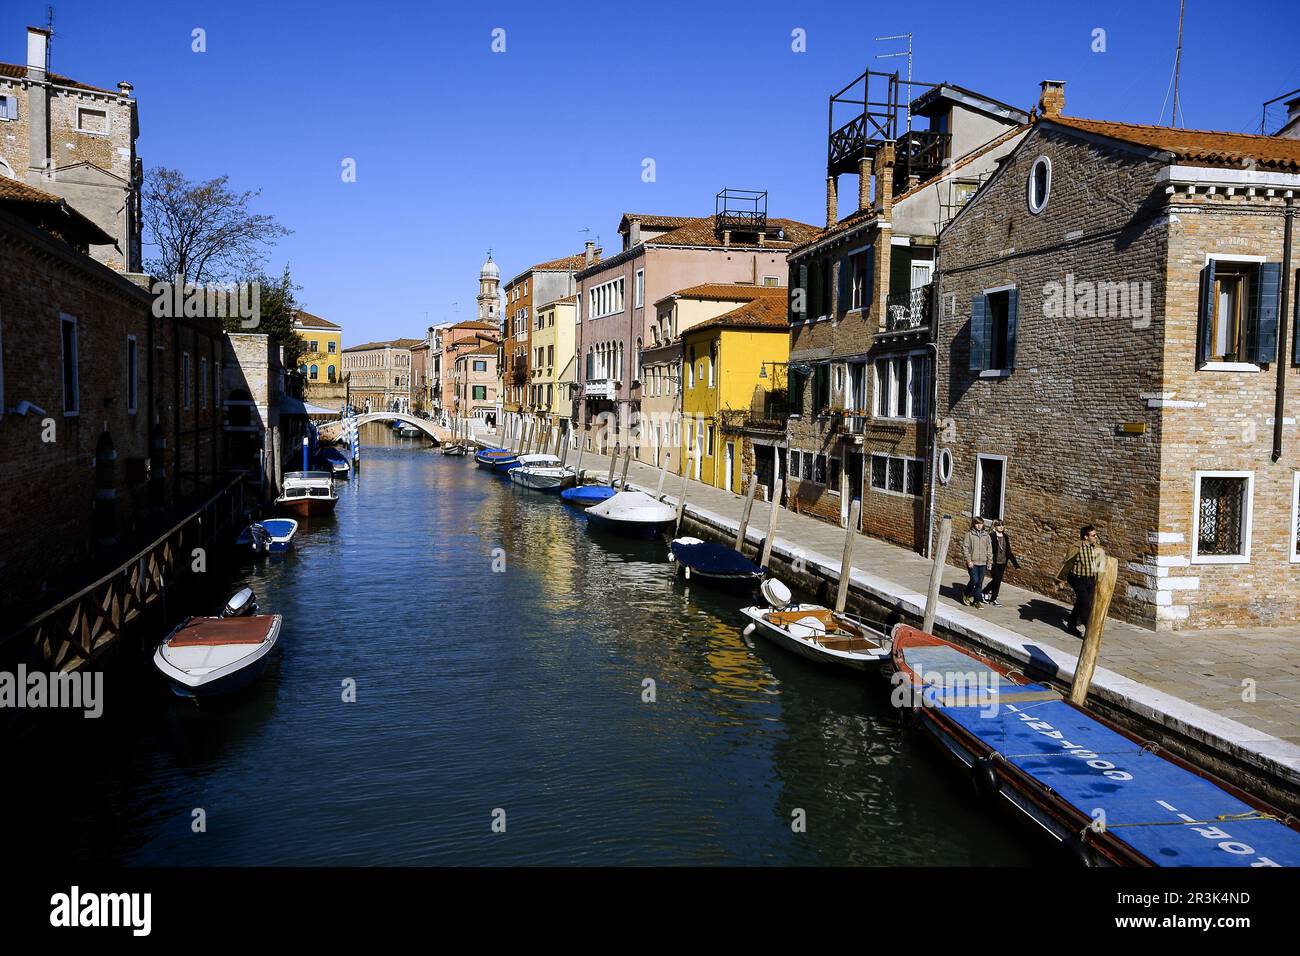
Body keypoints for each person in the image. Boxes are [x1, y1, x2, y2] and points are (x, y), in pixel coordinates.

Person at [1056, 524, 1104, 637]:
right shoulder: (1076, 547)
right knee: (1085, 603)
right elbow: (1067, 564)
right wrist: (1061, 581)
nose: (1096, 537)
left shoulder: (1097, 547)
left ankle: (1071, 624)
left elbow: (1100, 565)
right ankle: (1090, 632)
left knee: (1081, 602)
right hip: (1077, 578)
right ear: (1086, 537)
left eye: (1096, 535)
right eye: (1093, 535)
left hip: (1090, 579)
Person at [982, 519, 1021, 607]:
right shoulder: (991, 536)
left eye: (1002, 525)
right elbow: (988, 550)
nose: (1001, 527)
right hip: (994, 562)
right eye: (999, 525)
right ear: (995, 527)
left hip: (1003, 562)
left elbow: (1009, 552)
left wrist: (1016, 564)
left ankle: (993, 599)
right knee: (997, 579)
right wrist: (988, 561)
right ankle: (985, 591)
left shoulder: (1005, 537)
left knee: (998, 581)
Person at [961, 517, 993, 608]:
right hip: (973, 562)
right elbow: (965, 548)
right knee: (974, 580)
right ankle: (966, 593)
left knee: (979, 583)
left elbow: (989, 550)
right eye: (977, 524)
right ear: (974, 524)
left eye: (981, 524)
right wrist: (969, 560)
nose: (979, 526)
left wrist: (989, 562)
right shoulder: (969, 534)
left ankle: (976, 601)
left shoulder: (986, 536)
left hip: (983, 562)